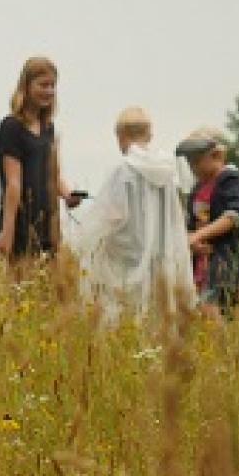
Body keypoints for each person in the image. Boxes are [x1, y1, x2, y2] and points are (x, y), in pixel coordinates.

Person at [69, 107, 195, 324]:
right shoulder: (166, 172)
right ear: (150, 135)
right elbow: (175, 219)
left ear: (121, 136)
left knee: (125, 317)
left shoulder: (123, 171)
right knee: (157, 320)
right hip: (161, 257)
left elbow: (110, 216)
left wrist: (81, 240)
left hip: (126, 260)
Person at [0, 57, 79, 262]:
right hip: (21, 222)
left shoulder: (48, 128)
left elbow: (51, 174)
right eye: (43, 85)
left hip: (48, 222)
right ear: (27, 85)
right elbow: (13, 184)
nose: (49, 91)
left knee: (48, 289)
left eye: (52, 86)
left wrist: (68, 194)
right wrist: (7, 232)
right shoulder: (11, 127)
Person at [178, 128, 239, 315]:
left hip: (228, 263)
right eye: (190, 161)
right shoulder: (197, 190)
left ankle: (223, 344)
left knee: (210, 309)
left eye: (197, 160)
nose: (193, 167)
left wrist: (200, 234)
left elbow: (235, 216)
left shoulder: (232, 181)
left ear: (216, 155)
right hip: (202, 265)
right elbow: (191, 226)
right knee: (200, 312)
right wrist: (192, 242)